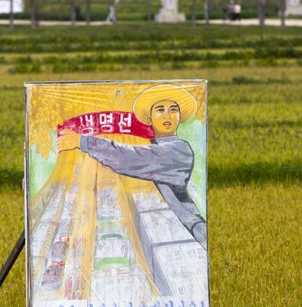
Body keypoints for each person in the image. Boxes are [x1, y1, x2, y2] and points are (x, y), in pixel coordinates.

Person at [57, 84, 207, 250]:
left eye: (173, 110)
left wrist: (82, 141)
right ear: (149, 118)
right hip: (167, 233)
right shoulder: (154, 146)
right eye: (160, 110)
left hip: (189, 237)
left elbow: (130, 157)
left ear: (179, 116)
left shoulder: (179, 151)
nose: (168, 115)